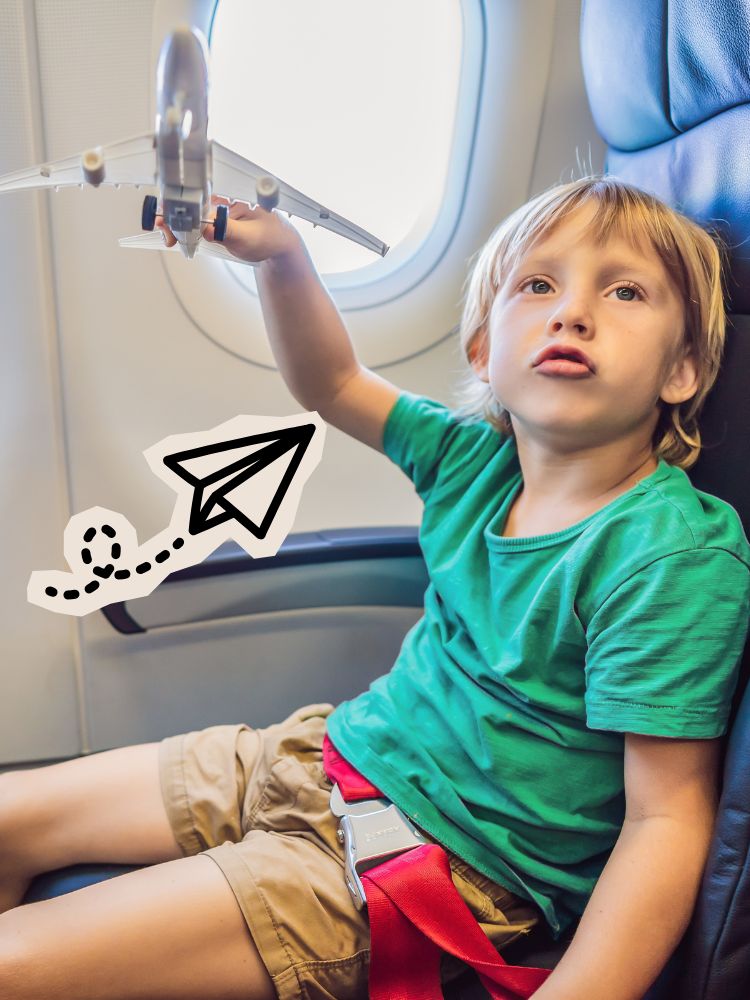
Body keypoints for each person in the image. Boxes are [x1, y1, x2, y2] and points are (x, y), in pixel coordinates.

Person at [1, 175, 749, 1000]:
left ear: (682, 370)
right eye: (538, 284)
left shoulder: (669, 556)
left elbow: (666, 821)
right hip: (323, 756)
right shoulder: (473, 461)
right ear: (483, 352)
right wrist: (282, 257)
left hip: (431, 867)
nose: (572, 311)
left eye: (625, 291)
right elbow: (334, 384)